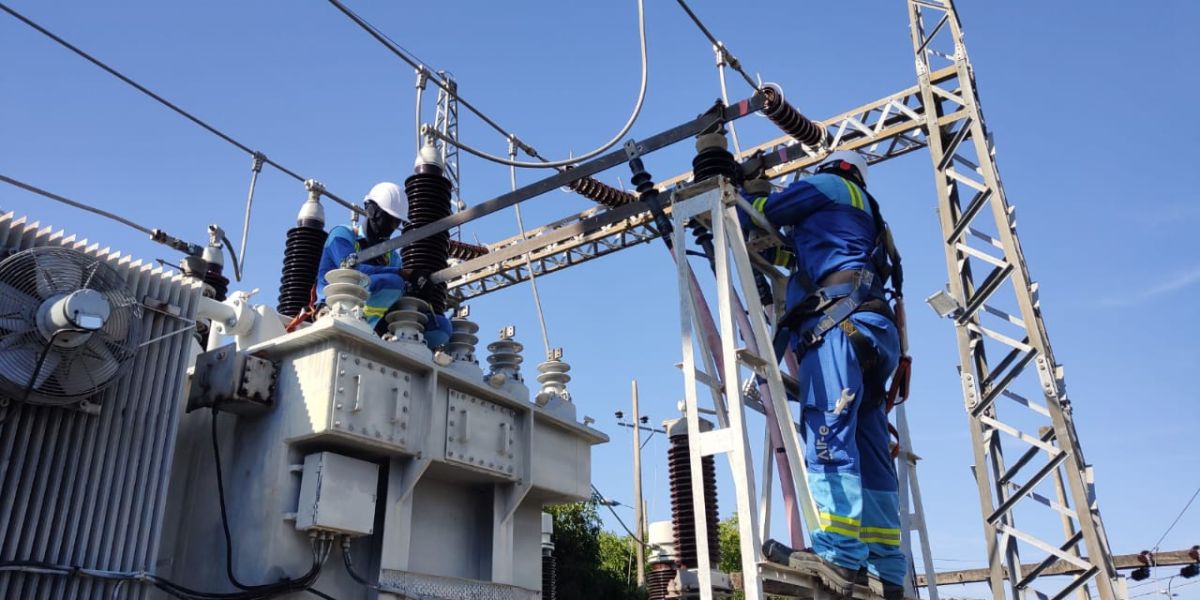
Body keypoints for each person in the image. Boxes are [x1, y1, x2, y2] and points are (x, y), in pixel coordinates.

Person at [745, 151, 907, 599]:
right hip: (874, 334)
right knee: (870, 449)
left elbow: (767, 213)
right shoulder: (865, 218)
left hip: (838, 325)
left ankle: (838, 553)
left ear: (833, 168)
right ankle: (889, 572)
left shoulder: (829, 187)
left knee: (828, 431)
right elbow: (792, 246)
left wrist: (746, 193)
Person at [317, 182, 451, 345]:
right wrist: (403, 274)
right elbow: (350, 271)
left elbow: (398, 289)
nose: (392, 226)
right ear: (372, 211)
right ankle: (365, 326)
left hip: (378, 317)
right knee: (393, 283)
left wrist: (416, 291)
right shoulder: (342, 235)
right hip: (339, 305)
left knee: (441, 327)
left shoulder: (391, 256)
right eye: (389, 219)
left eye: (396, 222)